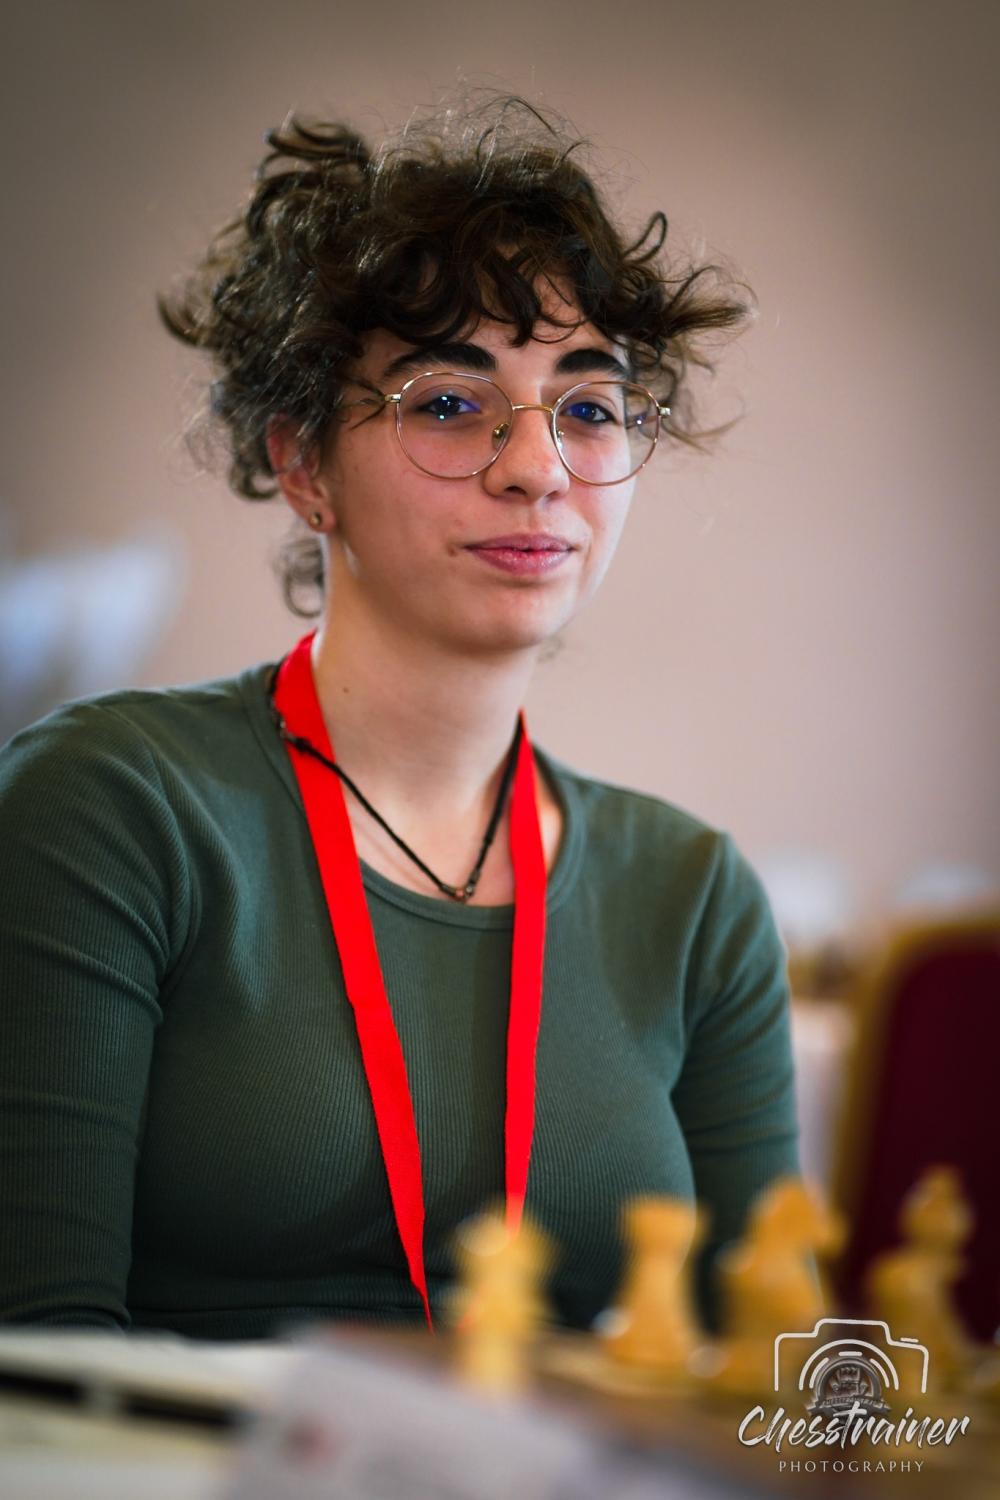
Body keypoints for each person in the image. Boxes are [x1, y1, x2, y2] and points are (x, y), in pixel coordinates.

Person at [0, 99, 800, 1339]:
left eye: (590, 409)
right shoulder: (114, 804)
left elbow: (769, 1380)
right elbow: (35, 1364)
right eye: (447, 403)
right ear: (304, 464)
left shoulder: (694, 896)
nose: (537, 467)